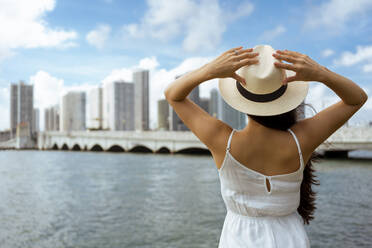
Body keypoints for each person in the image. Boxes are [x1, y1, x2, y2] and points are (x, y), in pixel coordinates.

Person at [163, 44, 368, 247]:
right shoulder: (301, 140)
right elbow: (356, 99)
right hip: (291, 239)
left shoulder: (223, 141)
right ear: (286, 98)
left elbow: (173, 95)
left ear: (242, 99)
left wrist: (209, 69)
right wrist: (320, 73)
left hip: (239, 240)